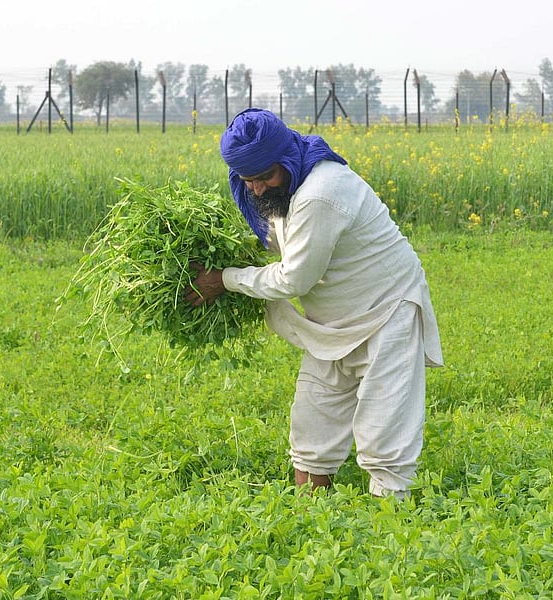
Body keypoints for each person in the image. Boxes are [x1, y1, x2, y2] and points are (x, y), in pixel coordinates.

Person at [185, 108, 443, 498]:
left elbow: (293, 277)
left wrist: (224, 279)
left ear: (285, 159)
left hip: (387, 310)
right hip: (331, 320)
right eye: (247, 180)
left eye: (265, 177)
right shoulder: (284, 189)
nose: (256, 189)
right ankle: (311, 519)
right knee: (312, 420)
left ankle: (393, 532)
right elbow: (278, 240)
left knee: (385, 429)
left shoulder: (321, 192)